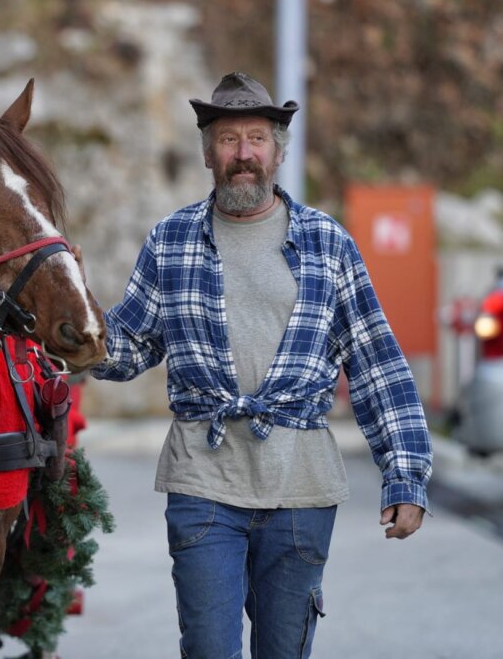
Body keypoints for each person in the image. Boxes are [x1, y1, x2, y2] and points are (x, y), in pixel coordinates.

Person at [90, 71, 432, 658]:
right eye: (228, 140)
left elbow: (375, 361)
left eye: (255, 139)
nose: (242, 154)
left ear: (277, 152)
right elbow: (129, 347)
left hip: (300, 490)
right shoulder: (171, 240)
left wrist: (405, 474)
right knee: (207, 648)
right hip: (204, 481)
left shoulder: (328, 242)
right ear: (206, 152)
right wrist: (72, 324)